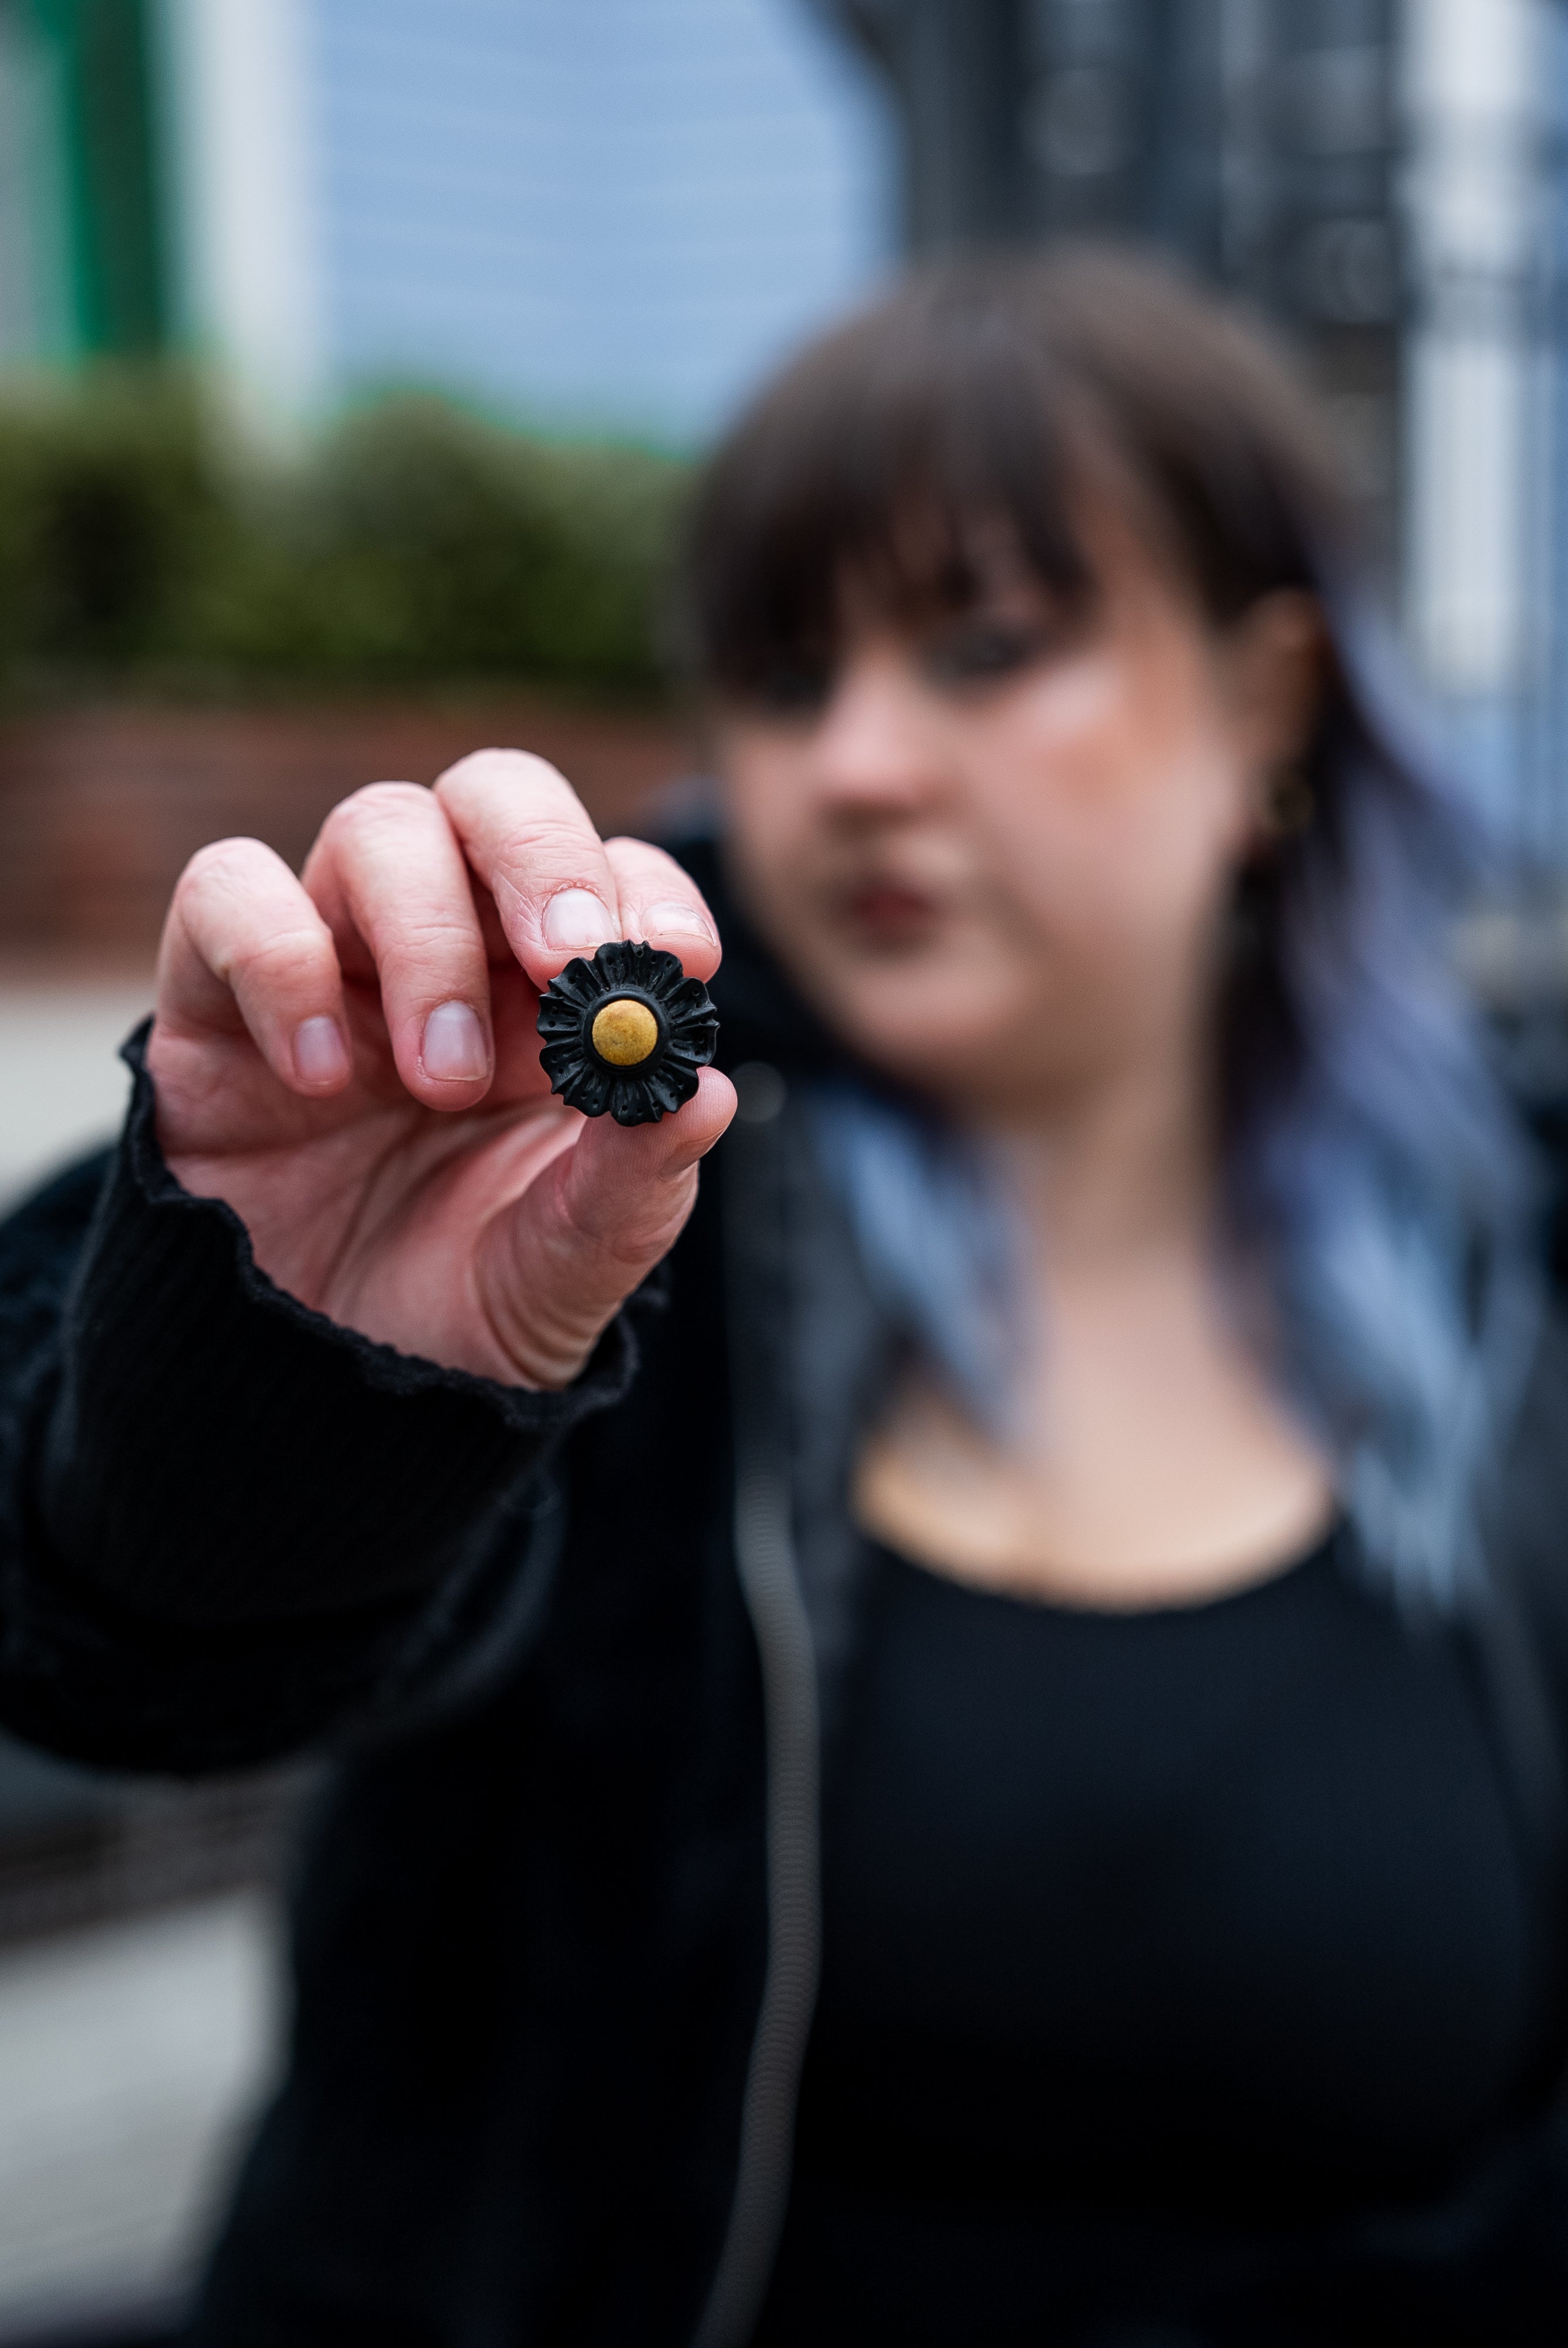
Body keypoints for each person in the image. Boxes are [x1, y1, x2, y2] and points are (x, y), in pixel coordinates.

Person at [1, 248, 1565, 2347]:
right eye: (783, 673)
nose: (855, 766)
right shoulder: (576, 1183)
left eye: (988, 645)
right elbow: (122, 1631)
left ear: (1263, 706)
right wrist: (302, 1367)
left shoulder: (1519, 1260)